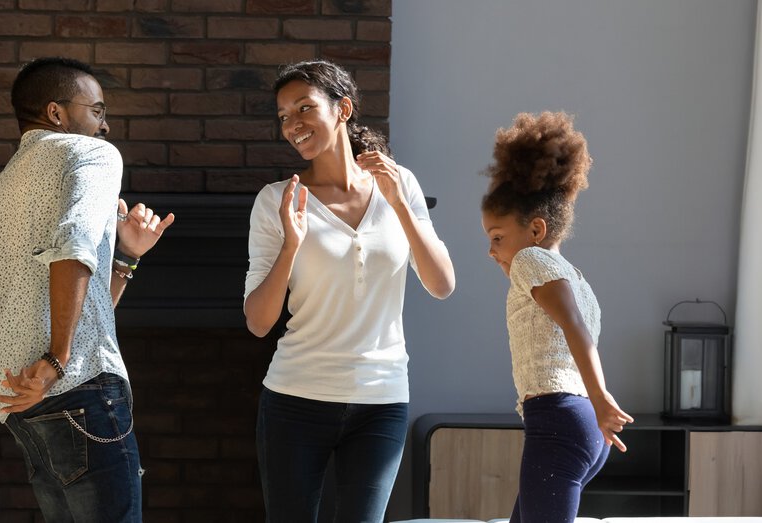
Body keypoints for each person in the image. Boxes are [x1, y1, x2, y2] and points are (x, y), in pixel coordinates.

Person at [243, 60, 456, 523]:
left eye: (304, 108)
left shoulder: (400, 185)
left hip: (382, 399)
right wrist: (291, 244)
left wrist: (399, 204)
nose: (292, 125)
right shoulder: (276, 200)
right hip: (295, 399)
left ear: (343, 109)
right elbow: (259, 322)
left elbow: (441, 284)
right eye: (283, 116)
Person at [0, 56, 174, 523]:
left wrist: (125, 258)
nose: (105, 125)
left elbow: (80, 298)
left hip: (21, 400)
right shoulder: (92, 155)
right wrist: (57, 361)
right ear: (57, 113)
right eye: (97, 110)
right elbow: (74, 248)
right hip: (73, 385)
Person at [479, 111, 633, 523]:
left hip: (558, 421)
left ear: (535, 230)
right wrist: (595, 407)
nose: (491, 251)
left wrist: (602, 400)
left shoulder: (531, 259)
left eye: (497, 237)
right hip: (580, 426)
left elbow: (574, 328)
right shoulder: (577, 278)